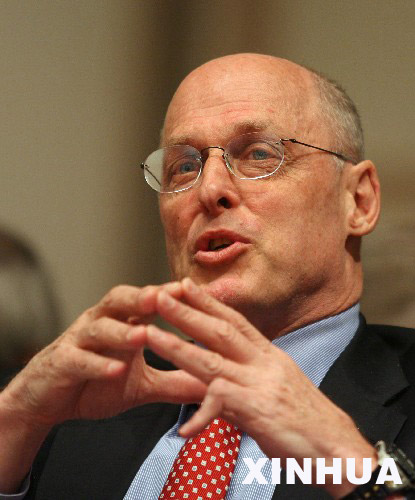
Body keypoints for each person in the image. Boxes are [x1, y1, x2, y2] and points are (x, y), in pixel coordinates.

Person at [0, 53, 414, 500]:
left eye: (259, 154)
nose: (209, 189)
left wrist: (345, 456)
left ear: (359, 200)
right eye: (184, 166)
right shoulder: (71, 409)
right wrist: (17, 420)